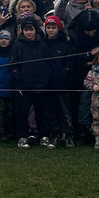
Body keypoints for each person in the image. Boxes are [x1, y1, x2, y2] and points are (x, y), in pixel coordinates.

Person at [9, 17, 53, 148]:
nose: (29, 32)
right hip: (24, 85)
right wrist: (19, 78)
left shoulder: (43, 45)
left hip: (41, 84)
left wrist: (47, 78)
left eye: (31, 29)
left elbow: (49, 63)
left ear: (36, 30)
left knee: (43, 112)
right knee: (22, 113)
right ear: (22, 31)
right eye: (26, 30)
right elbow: (12, 65)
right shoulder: (17, 45)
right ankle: (22, 137)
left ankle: (44, 137)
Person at [42, 14, 75, 147]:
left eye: (53, 27)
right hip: (47, 83)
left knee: (65, 111)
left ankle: (68, 134)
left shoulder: (64, 45)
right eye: (48, 27)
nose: (50, 30)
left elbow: (69, 63)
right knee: (51, 111)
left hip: (62, 83)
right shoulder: (42, 44)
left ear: (58, 29)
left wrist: (64, 74)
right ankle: (54, 133)